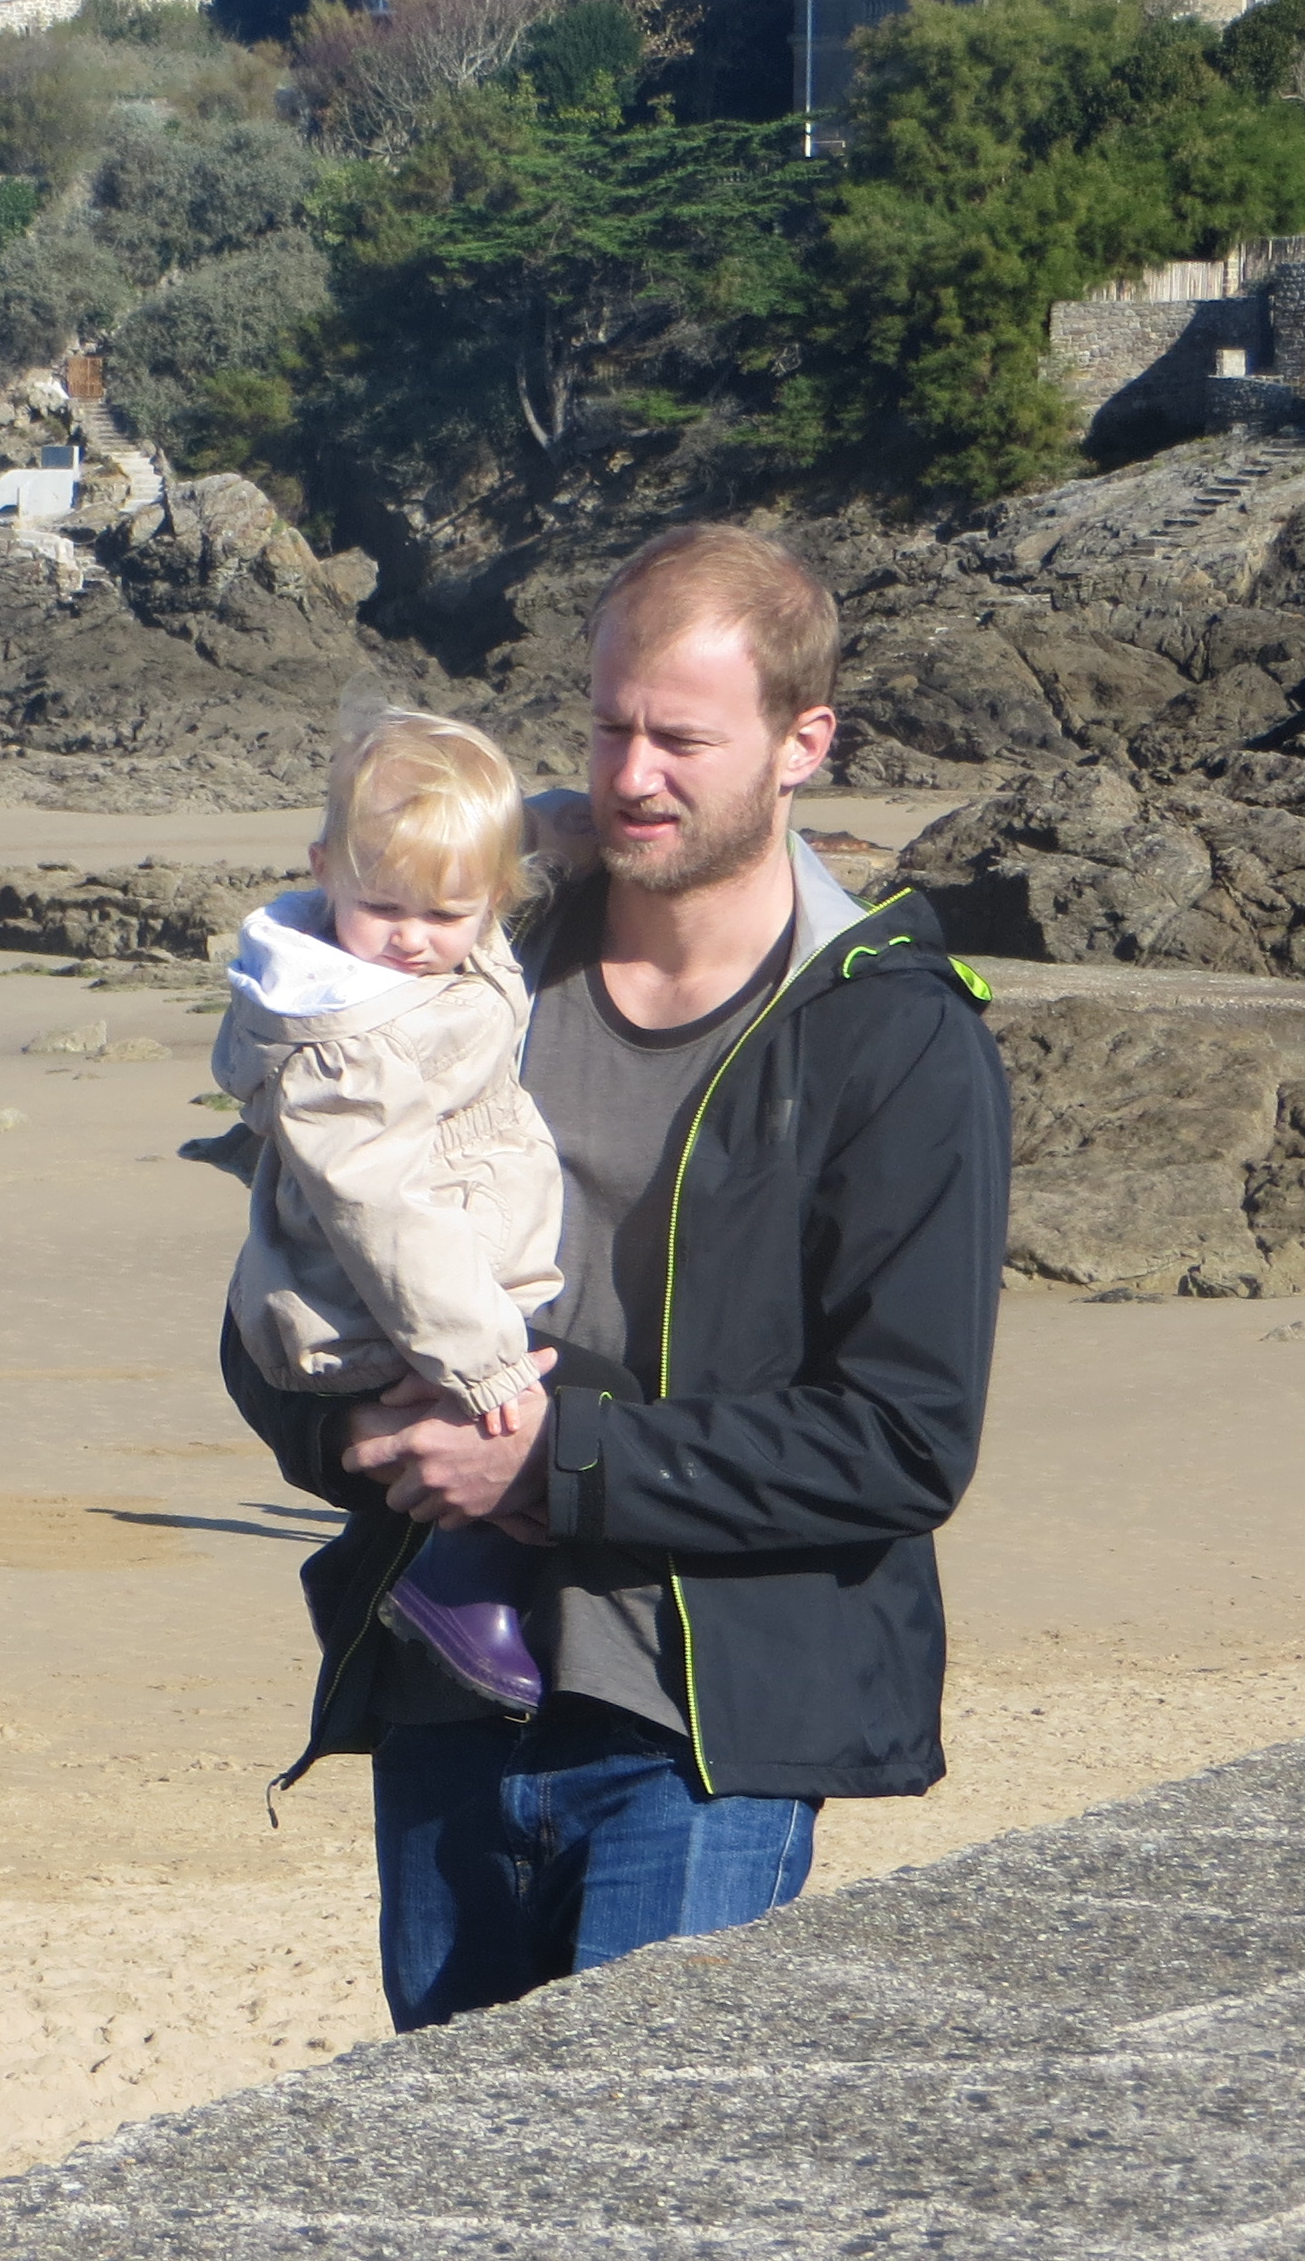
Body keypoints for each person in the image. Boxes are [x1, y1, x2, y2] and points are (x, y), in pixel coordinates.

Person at [216, 524, 1008, 2036]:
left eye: (682, 741)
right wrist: (345, 1432)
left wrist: (551, 1464)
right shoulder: (472, 958)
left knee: (646, 2148)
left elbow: (905, 1439)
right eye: (607, 727)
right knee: (456, 2155)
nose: (631, 775)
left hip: (697, 1735)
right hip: (447, 1698)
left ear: (803, 743)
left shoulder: (892, 1035)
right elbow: (283, 1287)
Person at [212, 706, 568, 1722]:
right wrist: (484, 1360)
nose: (412, 939)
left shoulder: (432, 944)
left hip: (439, 1271)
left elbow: (470, 881)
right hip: (373, 1303)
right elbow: (385, 1216)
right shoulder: (347, 1040)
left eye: (448, 913)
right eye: (383, 908)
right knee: (499, 1422)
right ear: (325, 871)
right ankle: (456, 1591)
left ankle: (431, 1578)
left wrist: (556, 822)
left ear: (495, 896)